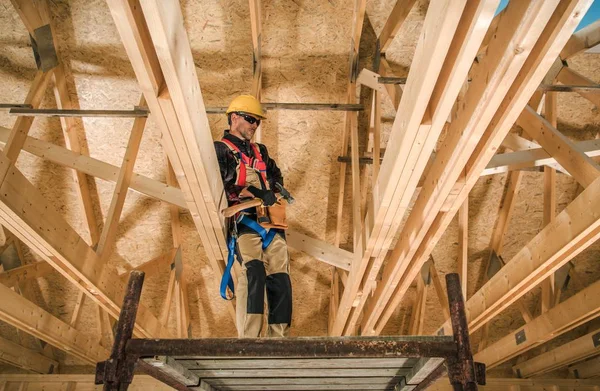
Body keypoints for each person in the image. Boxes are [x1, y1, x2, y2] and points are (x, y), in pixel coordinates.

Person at [214, 94, 292, 338]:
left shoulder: (261, 151)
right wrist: (255, 191)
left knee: (281, 276)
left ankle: (278, 338)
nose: (254, 125)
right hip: (244, 221)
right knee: (254, 272)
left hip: (270, 221)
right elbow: (222, 186)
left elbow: (275, 174)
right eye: (250, 119)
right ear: (234, 118)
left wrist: (276, 188)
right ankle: (249, 339)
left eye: (257, 121)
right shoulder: (221, 150)